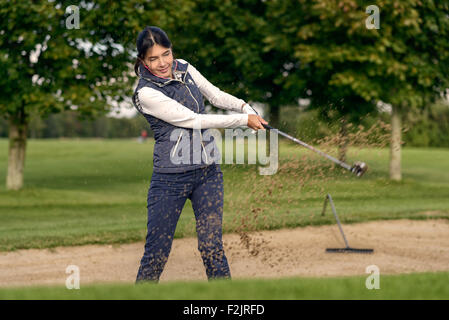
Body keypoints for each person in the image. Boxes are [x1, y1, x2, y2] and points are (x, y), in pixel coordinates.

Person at [132, 26, 268, 283]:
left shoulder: (183, 67)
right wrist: (243, 120)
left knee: (212, 248)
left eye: (166, 54)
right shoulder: (146, 93)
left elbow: (215, 95)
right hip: (170, 179)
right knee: (157, 254)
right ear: (142, 60)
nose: (162, 63)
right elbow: (194, 120)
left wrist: (245, 106)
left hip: (208, 174)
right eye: (153, 58)